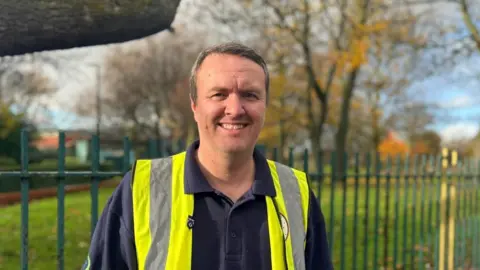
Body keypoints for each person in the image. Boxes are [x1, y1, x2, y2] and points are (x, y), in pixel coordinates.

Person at [82, 42, 333, 270]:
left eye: (250, 95)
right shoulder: (141, 190)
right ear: (195, 106)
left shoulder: (296, 193)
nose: (234, 109)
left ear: (264, 105)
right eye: (219, 95)